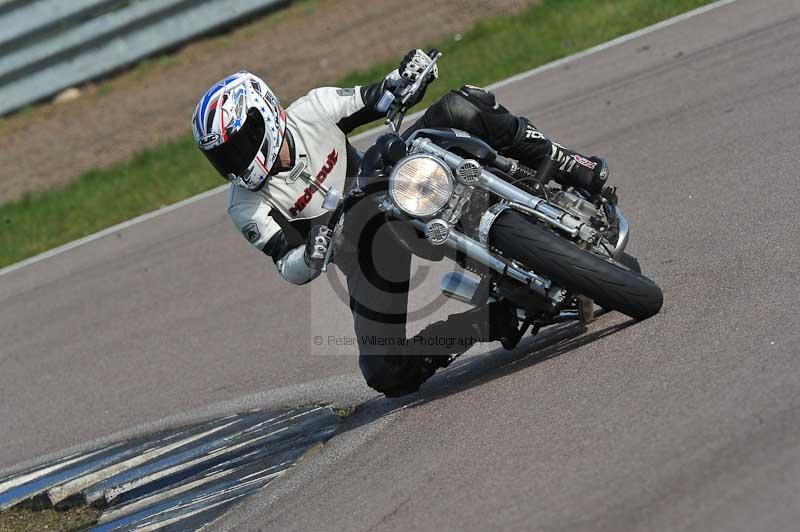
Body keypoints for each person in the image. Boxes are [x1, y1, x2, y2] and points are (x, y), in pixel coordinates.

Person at [191, 50, 609, 397]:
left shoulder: (312, 110)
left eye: (240, 142)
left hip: (387, 181)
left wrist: (407, 74)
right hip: (361, 249)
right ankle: (497, 318)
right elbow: (287, 265)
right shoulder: (244, 207)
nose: (236, 160)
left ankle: (569, 164)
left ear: (266, 113)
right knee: (385, 372)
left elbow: (376, 95)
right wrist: (313, 250)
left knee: (460, 106)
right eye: (223, 156)